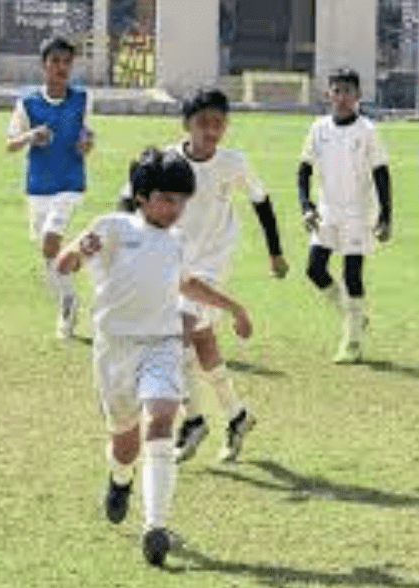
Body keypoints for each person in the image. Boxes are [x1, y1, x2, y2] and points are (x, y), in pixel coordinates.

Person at [56, 147, 252, 567]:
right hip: (114, 350)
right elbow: (65, 262)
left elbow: (187, 284)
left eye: (182, 200)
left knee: (162, 417)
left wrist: (235, 308)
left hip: (162, 343)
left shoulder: (178, 241)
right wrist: (75, 253)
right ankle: (120, 479)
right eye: (166, 198)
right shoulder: (113, 227)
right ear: (142, 196)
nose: (175, 208)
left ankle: (155, 527)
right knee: (124, 443)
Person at [166, 88, 289, 463]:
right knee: (202, 341)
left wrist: (275, 252)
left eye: (218, 123)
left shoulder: (233, 162)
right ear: (187, 124)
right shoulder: (168, 160)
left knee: (177, 331)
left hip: (211, 263)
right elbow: (132, 199)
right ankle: (237, 415)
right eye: (202, 122)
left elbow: (261, 201)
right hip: (173, 261)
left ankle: (193, 419)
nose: (210, 130)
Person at [297, 67, 392, 364]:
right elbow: (304, 169)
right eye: (337, 91)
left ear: (358, 95)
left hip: (358, 213)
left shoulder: (367, 131)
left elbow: (381, 172)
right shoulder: (318, 128)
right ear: (329, 94)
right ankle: (354, 316)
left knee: (352, 275)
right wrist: (306, 206)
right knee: (314, 269)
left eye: (348, 91)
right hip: (327, 210)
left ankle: (352, 343)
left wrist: (386, 215)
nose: (341, 97)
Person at [6, 35, 94, 339]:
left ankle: (67, 302)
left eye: (67, 61)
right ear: (43, 65)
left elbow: (87, 135)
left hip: (70, 183)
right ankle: (67, 295)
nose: (61, 67)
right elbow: (10, 144)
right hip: (38, 186)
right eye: (55, 61)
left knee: (48, 241)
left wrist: (86, 144)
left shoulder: (82, 99)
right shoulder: (27, 102)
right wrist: (32, 136)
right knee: (48, 254)